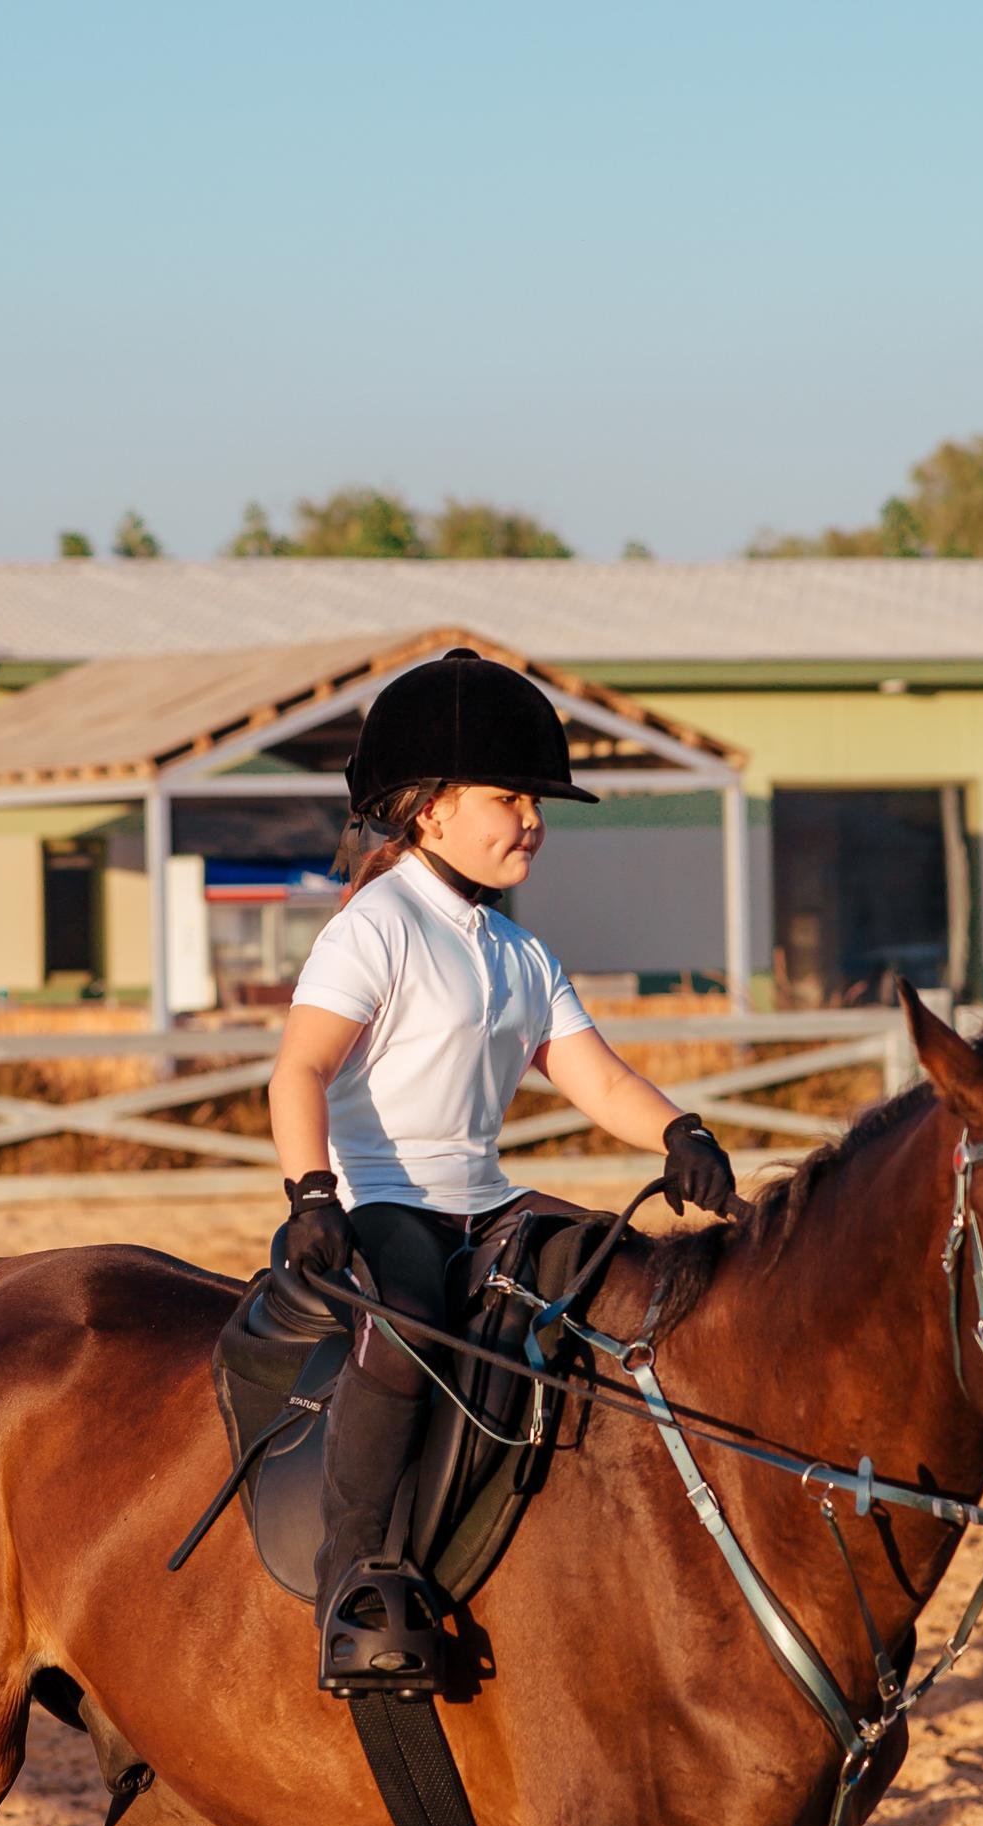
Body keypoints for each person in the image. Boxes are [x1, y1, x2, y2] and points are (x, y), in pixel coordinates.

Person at [268, 648, 738, 1691]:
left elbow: (599, 1079)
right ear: (428, 811)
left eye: (536, 804)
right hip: (381, 1200)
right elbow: (298, 1069)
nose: (531, 820)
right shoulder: (375, 929)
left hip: (486, 1200)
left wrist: (680, 1133)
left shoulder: (519, 954)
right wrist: (312, 1193)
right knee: (404, 1331)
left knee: (616, 1274)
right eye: (509, 799)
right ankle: (352, 1574)